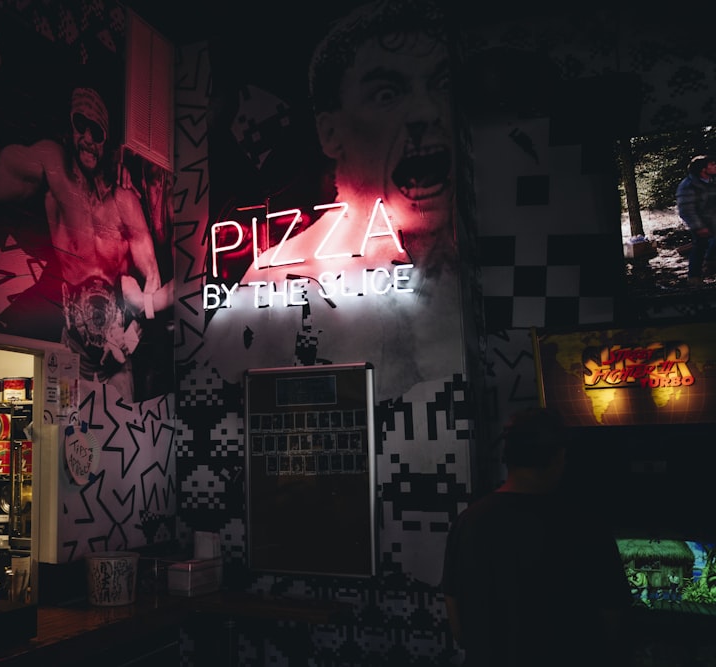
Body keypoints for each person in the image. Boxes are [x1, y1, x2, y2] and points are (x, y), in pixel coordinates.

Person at [204, 0, 460, 403]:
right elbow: (215, 388)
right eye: (387, 94)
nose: (427, 112)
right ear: (330, 132)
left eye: (441, 84)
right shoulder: (274, 277)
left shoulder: (477, 269)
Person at [0, 10, 169, 397]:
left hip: (118, 358)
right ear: (70, 127)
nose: (88, 139)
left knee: (119, 444)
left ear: (106, 138)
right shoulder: (54, 168)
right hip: (67, 346)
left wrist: (127, 335)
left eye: (97, 131)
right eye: (81, 125)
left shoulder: (125, 203)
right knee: (61, 442)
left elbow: (152, 283)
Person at [441, 407, 631, 667]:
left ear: (508, 457)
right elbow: (612, 619)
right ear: (559, 456)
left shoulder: (468, 521)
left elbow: (458, 624)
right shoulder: (586, 525)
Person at [675, 154, 716, 287]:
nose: (715, 166)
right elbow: (686, 210)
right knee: (700, 247)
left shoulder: (710, 181)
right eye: (712, 164)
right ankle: (694, 278)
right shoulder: (688, 185)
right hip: (700, 222)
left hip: (713, 220)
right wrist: (699, 227)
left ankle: (710, 265)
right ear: (703, 169)